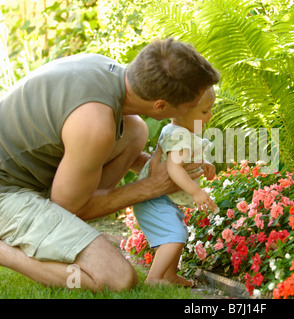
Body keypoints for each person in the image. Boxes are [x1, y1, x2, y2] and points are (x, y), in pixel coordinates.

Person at [0, 38, 220, 291]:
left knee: (135, 129)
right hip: (6, 192)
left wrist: (162, 169)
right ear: (161, 106)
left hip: (23, 173)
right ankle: (5, 251)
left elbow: (89, 151)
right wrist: (152, 187)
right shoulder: (95, 125)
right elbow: (70, 208)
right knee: (117, 279)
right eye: (192, 107)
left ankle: (56, 236)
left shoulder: (105, 71)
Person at [133, 87, 218, 287]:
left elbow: (181, 159)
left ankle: (170, 274)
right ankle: (153, 279)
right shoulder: (180, 135)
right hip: (154, 198)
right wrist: (196, 191)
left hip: (161, 197)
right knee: (175, 235)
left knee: (178, 231)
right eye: (205, 112)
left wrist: (202, 162)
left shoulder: (180, 132)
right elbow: (174, 167)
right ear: (181, 113)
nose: (210, 116)